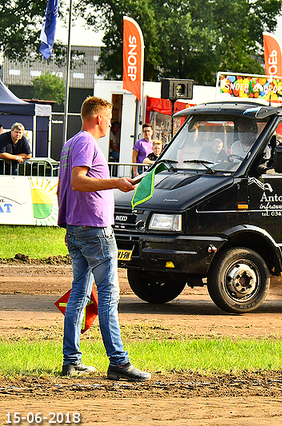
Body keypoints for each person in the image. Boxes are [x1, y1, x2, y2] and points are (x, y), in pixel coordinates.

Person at [58, 96, 150, 382]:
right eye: (110, 118)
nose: (111, 123)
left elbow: (68, 185)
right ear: (98, 117)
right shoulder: (86, 143)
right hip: (94, 231)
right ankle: (119, 362)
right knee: (108, 296)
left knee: (80, 295)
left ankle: (71, 361)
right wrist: (117, 182)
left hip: (77, 228)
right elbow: (78, 181)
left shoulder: (71, 143)